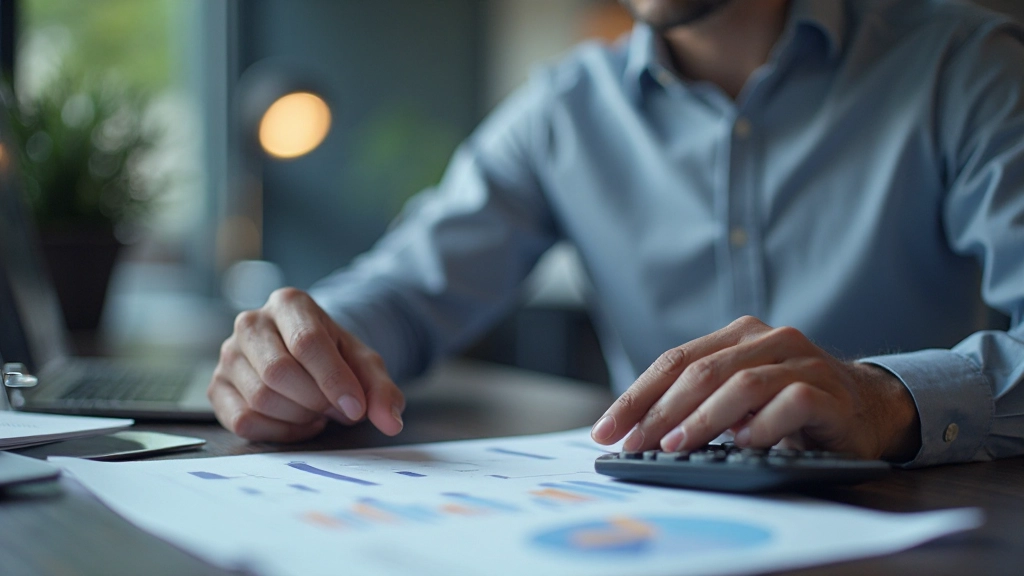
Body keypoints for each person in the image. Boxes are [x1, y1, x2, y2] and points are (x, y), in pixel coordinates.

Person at [208, 0, 1024, 468]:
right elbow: (404, 286)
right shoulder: (562, 111)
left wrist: (889, 400)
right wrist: (306, 348)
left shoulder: (966, 66)